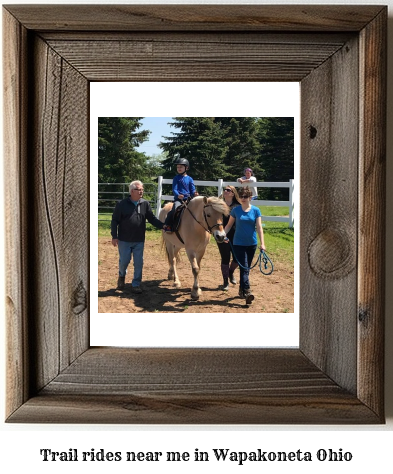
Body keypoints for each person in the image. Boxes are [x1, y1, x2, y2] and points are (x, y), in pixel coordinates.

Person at [111, 180, 164, 293]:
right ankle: (121, 277)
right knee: (124, 261)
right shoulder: (121, 204)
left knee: (139, 262)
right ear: (131, 191)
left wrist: (163, 226)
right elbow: (114, 220)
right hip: (124, 239)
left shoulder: (145, 203)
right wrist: (114, 236)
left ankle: (136, 284)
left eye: (142, 190)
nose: (141, 192)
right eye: (138, 190)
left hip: (139, 239)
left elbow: (151, 218)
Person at [224, 186, 266, 305]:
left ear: (250, 197)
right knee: (245, 267)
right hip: (238, 243)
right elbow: (228, 226)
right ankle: (247, 292)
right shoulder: (235, 211)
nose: (243, 198)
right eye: (241, 196)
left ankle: (242, 290)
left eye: (245, 197)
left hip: (252, 243)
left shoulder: (256, 210)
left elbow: (259, 227)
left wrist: (262, 243)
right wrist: (223, 235)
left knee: (245, 269)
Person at [163, 157, 198, 232]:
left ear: (186, 168)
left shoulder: (190, 179)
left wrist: (194, 193)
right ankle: (168, 225)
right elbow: (174, 189)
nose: (179, 168)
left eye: (181, 167)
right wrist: (178, 195)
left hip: (188, 199)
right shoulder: (176, 178)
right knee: (175, 209)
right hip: (179, 199)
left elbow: (192, 190)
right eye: (178, 167)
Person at [218, 185, 241, 290]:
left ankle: (231, 272)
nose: (225, 191)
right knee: (225, 257)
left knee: (237, 258)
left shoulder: (238, 205)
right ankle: (225, 281)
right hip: (223, 235)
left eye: (228, 190)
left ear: (232, 193)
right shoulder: (219, 205)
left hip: (236, 235)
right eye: (225, 190)